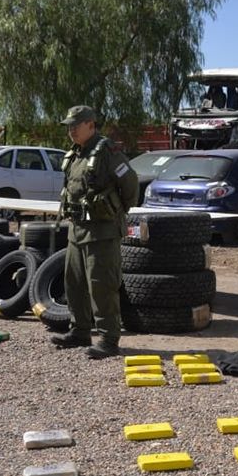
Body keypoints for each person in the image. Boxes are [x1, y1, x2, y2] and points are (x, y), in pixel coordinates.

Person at [50, 105, 141, 359]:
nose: (71, 130)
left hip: (102, 231)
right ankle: (79, 331)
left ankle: (109, 339)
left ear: (90, 124)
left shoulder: (106, 151)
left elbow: (130, 182)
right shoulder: (77, 153)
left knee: (102, 286)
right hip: (77, 230)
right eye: (68, 126)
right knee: (74, 283)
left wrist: (118, 210)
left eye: (75, 125)